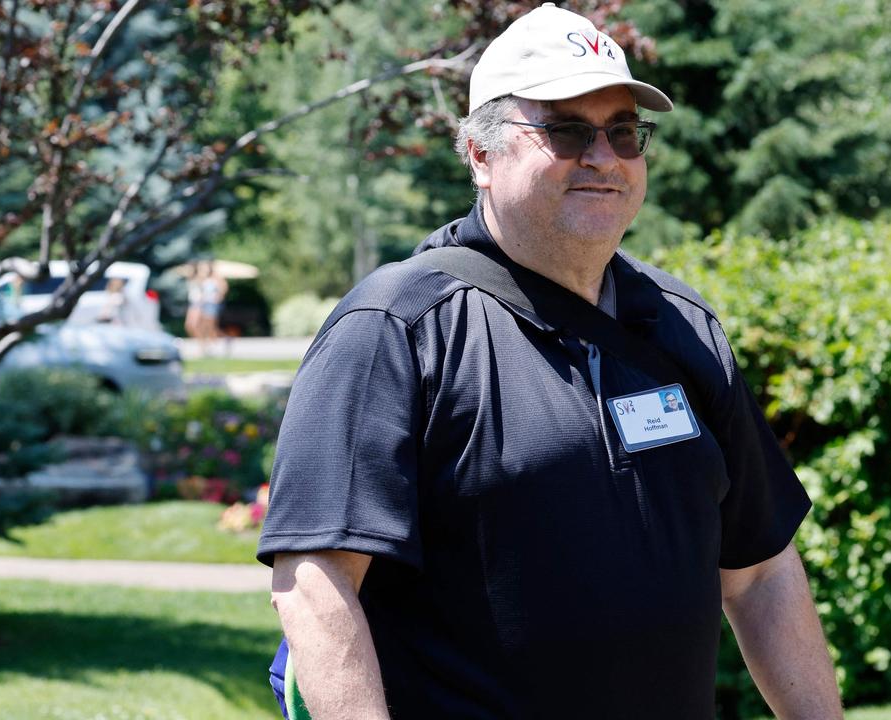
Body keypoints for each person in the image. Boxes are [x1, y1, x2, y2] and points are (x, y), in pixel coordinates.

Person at [257, 4, 845, 719]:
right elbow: (316, 580)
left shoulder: (682, 324)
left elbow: (758, 574)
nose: (603, 156)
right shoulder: (397, 326)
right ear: (479, 154)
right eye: (566, 130)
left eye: (624, 132)